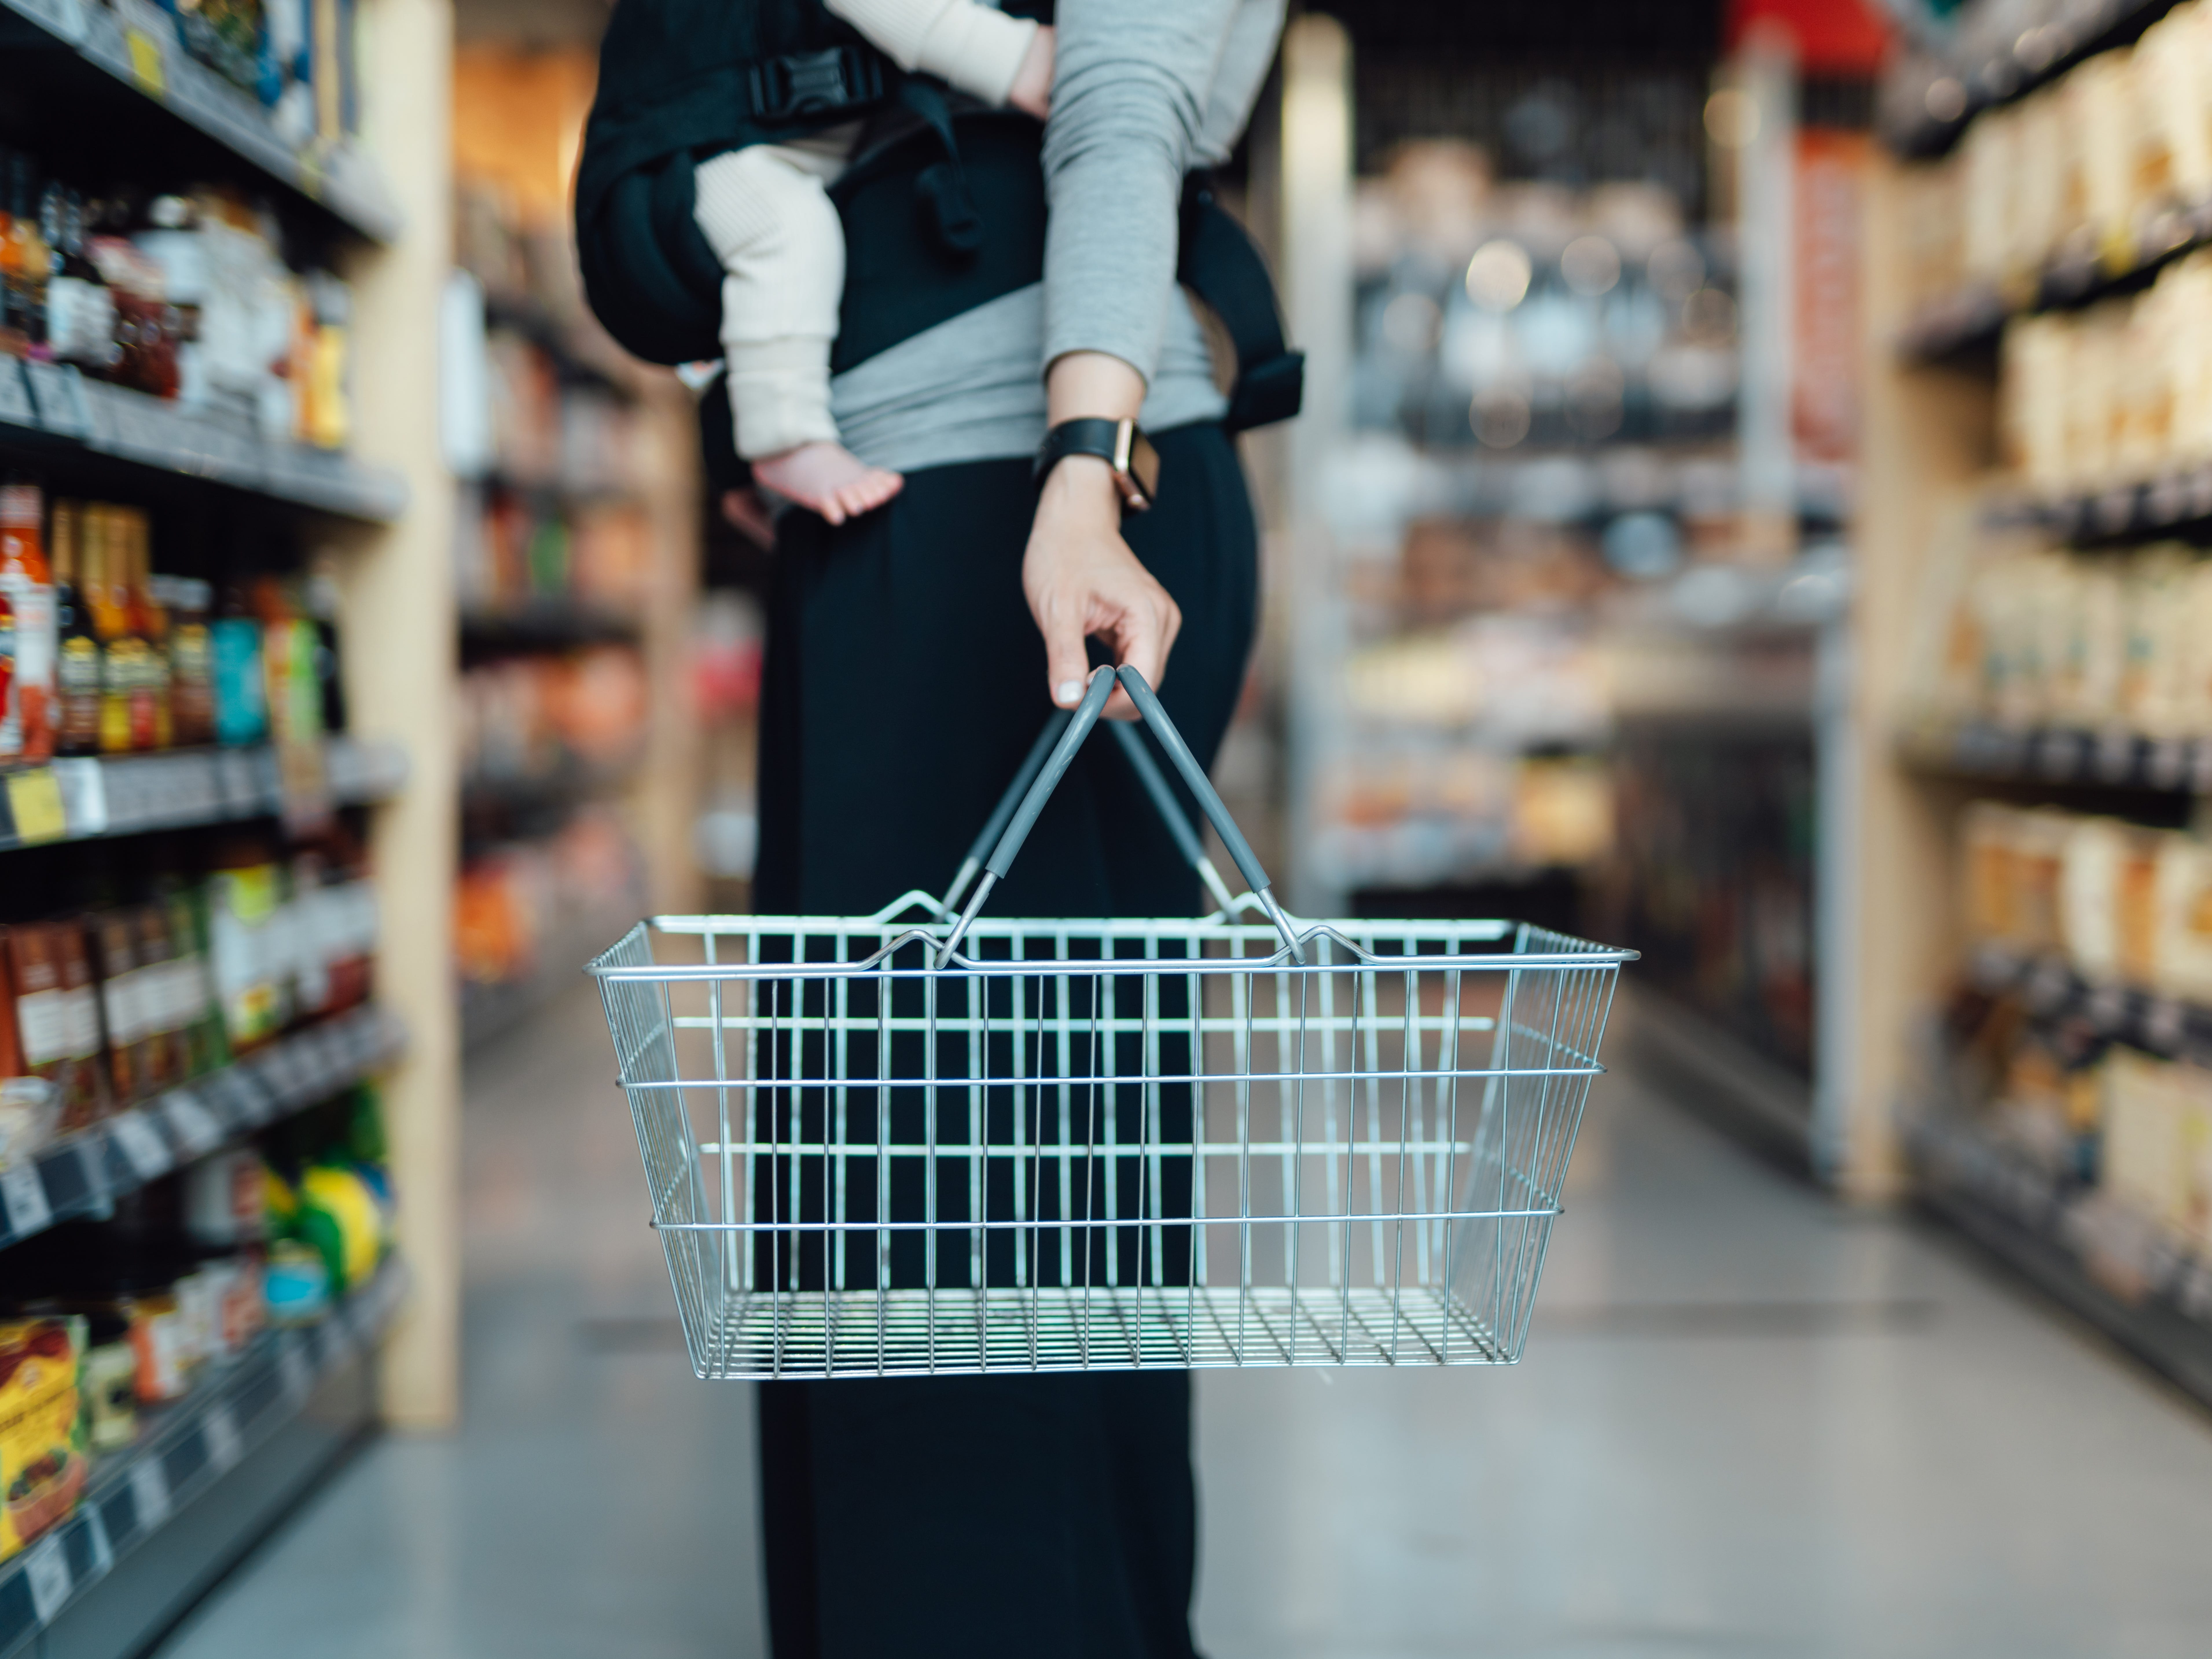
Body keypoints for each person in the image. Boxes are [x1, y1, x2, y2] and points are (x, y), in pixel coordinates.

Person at [740, 0, 1286, 1652]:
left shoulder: (1058, 487)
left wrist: (1077, 464)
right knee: (921, 1192)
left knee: (955, 1209)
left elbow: (1122, 99)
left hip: (1028, 515)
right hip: (916, 503)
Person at [692, 0, 1056, 524]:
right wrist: (1015, 56)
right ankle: (783, 439)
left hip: (790, 132)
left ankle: (742, 456)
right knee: (785, 231)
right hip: (720, 149)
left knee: (788, 277)